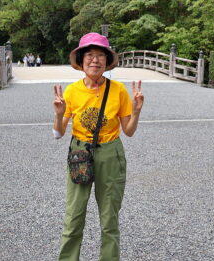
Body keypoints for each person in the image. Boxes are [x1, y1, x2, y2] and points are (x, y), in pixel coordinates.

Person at [53, 32, 144, 261]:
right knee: (73, 217)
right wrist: (59, 115)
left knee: (109, 219)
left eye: (100, 56)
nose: (95, 60)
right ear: (82, 61)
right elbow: (58, 133)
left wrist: (136, 111)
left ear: (107, 61)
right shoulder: (72, 91)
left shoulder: (118, 90)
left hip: (110, 153)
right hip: (80, 153)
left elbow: (129, 131)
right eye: (90, 55)